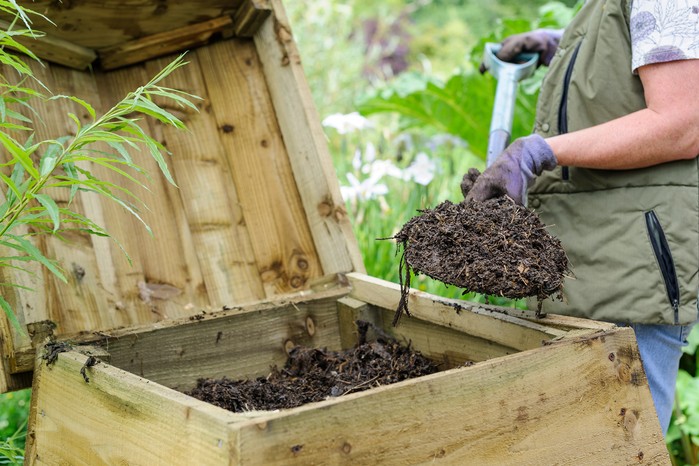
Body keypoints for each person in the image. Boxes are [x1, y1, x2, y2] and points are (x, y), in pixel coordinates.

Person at [463, 0, 699, 435]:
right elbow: (633, 67)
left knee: (624, 447)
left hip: (633, 269)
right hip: (595, 261)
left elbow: (683, 123)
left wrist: (539, 151)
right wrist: (562, 45)